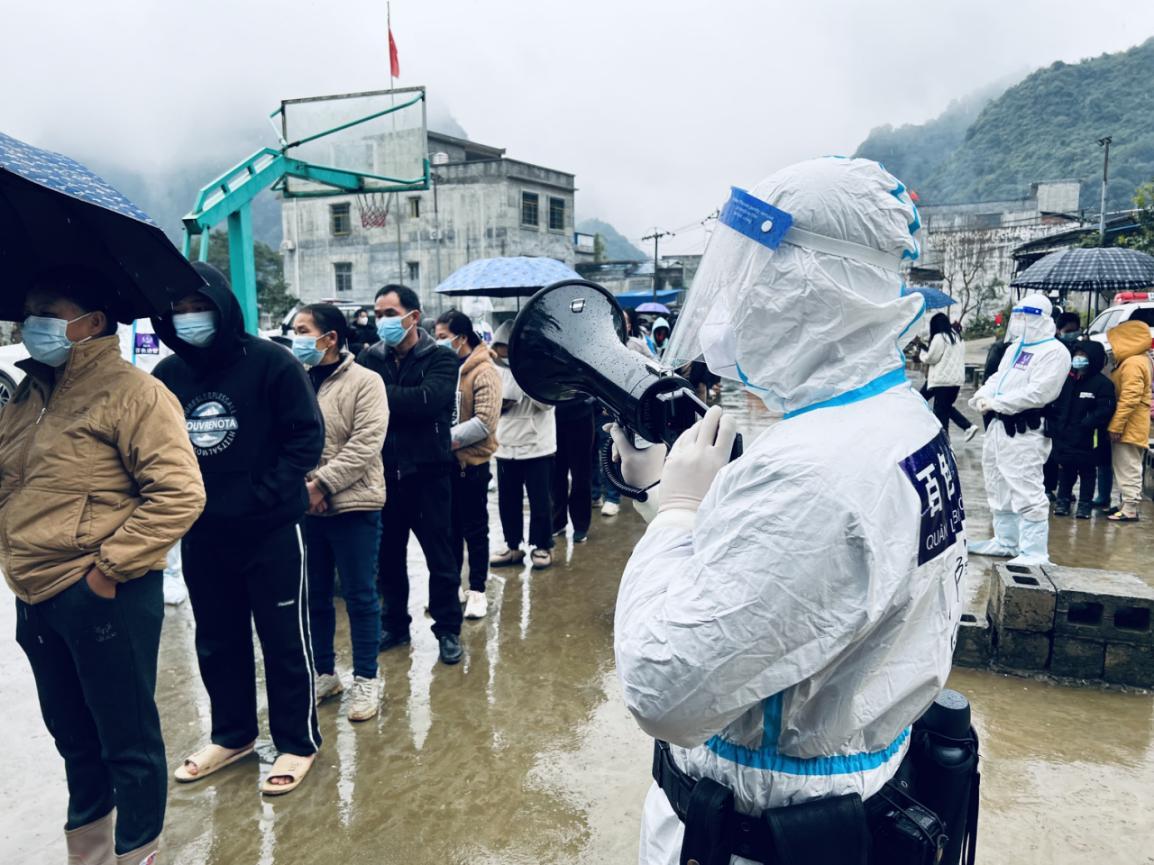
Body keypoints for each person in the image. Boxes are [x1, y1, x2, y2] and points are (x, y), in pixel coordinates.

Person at [611, 159, 963, 864]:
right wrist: (665, 495)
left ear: (817, 285)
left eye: (754, 274)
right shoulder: (895, 420)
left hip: (761, 830)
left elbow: (663, 687)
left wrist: (679, 509)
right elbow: (784, 591)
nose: (733, 299)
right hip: (847, 800)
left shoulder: (815, 470)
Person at [1, 266, 205, 865]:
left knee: (127, 742)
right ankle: (88, 856)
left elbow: (179, 494)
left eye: (47, 311)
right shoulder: (29, 394)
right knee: (74, 738)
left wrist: (105, 573)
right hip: (34, 591)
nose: (31, 322)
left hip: (101, 591)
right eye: (28, 311)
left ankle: (138, 854)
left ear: (91, 322)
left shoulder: (135, 393)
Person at [152, 262, 326, 796]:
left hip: (270, 531)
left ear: (222, 306)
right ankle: (233, 735)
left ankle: (297, 742)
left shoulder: (272, 363)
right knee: (217, 640)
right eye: (178, 310)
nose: (189, 318)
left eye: (198, 307)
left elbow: (305, 438)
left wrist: (262, 495)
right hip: (203, 534)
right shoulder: (168, 376)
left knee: (283, 640)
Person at [291, 304, 390, 721]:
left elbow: (366, 443)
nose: (296, 338)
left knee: (360, 594)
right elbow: (285, 438)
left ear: (330, 338)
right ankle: (325, 672)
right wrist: (304, 488)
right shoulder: (293, 380)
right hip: (306, 508)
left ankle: (367, 678)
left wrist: (320, 485)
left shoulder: (366, 382)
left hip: (354, 504)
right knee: (314, 595)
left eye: (303, 330)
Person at [357, 284, 464, 664]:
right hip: (385, 474)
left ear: (413, 316)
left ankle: (448, 629)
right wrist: (397, 398)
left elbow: (428, 401)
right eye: (378, 314)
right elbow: (365, 407)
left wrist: (378, 394)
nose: (381, 321)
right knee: (388, 557)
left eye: (389, 313)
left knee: (441, 557)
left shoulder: (442, 357)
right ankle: (395, 625)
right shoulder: (370, 357)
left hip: (429, 474)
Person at [967, 295, 1071, 565]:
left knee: (1026, 485)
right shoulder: (1016, 347)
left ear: (1043, 318)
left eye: (1028, 316)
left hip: (1026, 430)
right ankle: (1006, 541)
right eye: (1019, 315)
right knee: (997, 482)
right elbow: (998, 377)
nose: (1021, 321)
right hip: (999, 426)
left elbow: (1040, 392)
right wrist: (983, 395)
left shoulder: (1054, 352)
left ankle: (1034, 552)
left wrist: (998, 402)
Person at [435, 309, 501, 620]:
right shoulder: (447, 367)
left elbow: (485, 422)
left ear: (462, 338)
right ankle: (453, 589)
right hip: (445, 464)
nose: (438, 342)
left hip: (472, 464)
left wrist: (441, 441)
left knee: (475, 530)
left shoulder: (484, 371)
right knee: (448, 530)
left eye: (443, 337)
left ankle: (477, 590)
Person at [489, 320, 557, 570]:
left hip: (537, 445)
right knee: (508, 500)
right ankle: (512, 545)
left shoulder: (539, 367)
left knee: (540, 501)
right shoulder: (494, 368)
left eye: (506, 349)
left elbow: (547, 403)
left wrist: (525, 378)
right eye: (499, 349)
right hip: (505, 444)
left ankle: (542, 545)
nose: (502, 354)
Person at [1049, 341, 1115, 518]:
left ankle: (1084, 505)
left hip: (1089, 437)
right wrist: (1057, 426)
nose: (1079, 359)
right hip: (1066, 435)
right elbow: (1058, 405)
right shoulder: (1067, 380)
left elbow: (1106, 409)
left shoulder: (1103, 384)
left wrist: (1088, 422)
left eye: (1083, 356)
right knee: (1066, 470)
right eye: (1077, 355)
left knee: (1087, 472)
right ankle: (1062, 502)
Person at [1104, 319, 1153, 522]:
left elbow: (1130, 397)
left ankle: (1130, 508)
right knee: (1126, 464)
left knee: (1128, 465)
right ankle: (1126, 503)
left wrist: (1116, 425)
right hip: (1134, 422)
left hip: (1129, 424)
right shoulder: (1139, 359)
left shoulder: (1133, 363)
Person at [918, 311, 977, 442]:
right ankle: (966, 427)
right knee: (943, 408)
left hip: (941, 381)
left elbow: (931, 358)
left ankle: (949, 438)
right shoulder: (958, 338)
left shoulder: (940, 338)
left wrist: (922, 353)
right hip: (955, 382)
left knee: (936, 409)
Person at [551, 395, 596, 543]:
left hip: (581, 414)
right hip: (552, 416)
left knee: (581, 475)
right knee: (556, 474)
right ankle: (557, 520)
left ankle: (581, 525)